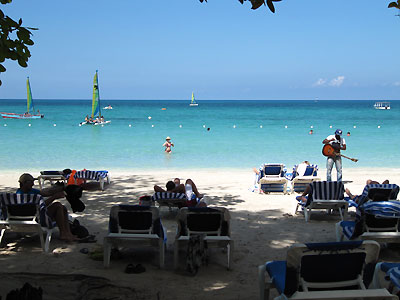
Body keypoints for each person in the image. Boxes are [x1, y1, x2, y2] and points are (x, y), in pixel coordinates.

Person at [16, 173, 79, 242]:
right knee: (57, 205)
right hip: (34, 218)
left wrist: (60, 189)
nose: (33, 184)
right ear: (24, 183)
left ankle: (68, 234)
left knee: (63, 208)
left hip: (35, 214)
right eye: (31, 182)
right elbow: (39, 206)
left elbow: (45, 193)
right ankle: (63, 234)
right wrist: (54, 197)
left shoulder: (31, 191)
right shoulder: (22, 195)